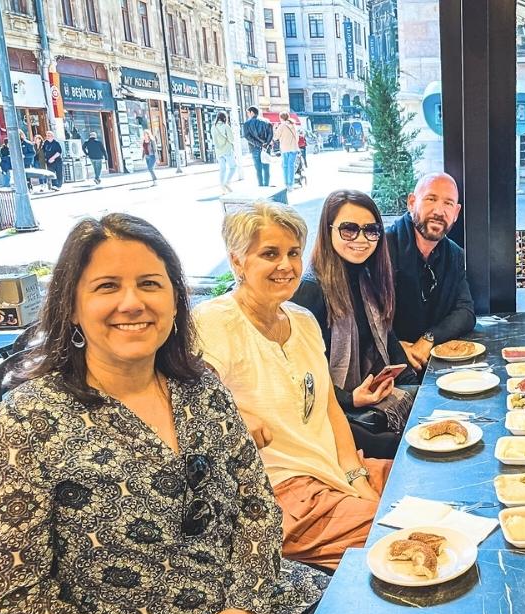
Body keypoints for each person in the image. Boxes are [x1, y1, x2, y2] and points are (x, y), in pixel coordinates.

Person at [0, 213, 327, 614]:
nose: (132, 302)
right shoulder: (25, 424)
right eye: (107, 286)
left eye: (150, 283)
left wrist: (243, 612)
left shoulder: (200, 386)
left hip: (258, 600)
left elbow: (256, 506)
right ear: (70, 306)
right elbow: (9, 593)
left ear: (173, 299)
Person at [193, 202, 392, 570]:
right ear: (237, 261)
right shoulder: (214, 321)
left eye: (293, 253)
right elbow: (196, 404)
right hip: (281, 494)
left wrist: (355, 475)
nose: (285, 265)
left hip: (331, 469)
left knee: (429, 487)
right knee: (401, 535)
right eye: (270, 253)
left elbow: (330, 407)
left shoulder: (302, 320)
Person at [292, 190, 417, 459]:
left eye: (371, 230)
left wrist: (411, 382)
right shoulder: (311, 291)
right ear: (328, 231)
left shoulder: (368, 277)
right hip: (331, 412)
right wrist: (351, 399)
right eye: (349, 229)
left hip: (369, 397)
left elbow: (387, 337)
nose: (361, 239)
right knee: (406, 448)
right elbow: (302, 376)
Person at [386, 172, 475, 371]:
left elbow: (465, 312)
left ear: (456, 212)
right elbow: (361, 316)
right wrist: (394, 346)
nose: (439, 211)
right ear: (411, 202)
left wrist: (429, 338)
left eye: (448, 203)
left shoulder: (454, 254)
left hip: (432, 365)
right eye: (431, 199)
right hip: (384, 368)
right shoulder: (383, 249)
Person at [242, 106, 273, 187]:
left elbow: (247, 137)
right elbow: (270, 134)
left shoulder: (247, 124)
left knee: (258, 169)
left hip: (255, 148)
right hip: (266, 148)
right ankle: (266, 186)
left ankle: (261, 186)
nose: (248, 115)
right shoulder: (267, 121)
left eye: (248, 113)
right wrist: (266, 144)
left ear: (252, 112)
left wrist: (259, 144)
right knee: (266, 168)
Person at [211, 112, 236, 193]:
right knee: (233, 167)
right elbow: (231, 139)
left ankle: (222, 189)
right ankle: (227, 183)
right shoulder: (226, 126)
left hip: (218, 151)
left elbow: (214, 140)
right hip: (227, 150)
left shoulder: (213, 127)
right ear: (225, 118)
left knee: (222, 169)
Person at [274, 113, 300, 191]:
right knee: (291, 166)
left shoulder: (281, 126)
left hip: (285, 149)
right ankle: (291, 184)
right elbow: (297, 138)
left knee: (285, 166)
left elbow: (275, 137)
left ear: (281, 118)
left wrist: (274, 128)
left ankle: (286, 184)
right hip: (294, 148)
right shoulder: (294, 125)